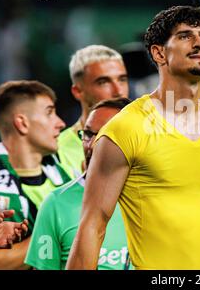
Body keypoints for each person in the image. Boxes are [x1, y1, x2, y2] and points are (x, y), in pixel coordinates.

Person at [67, 6, 200, 270]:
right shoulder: (124, 129)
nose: (199, 43)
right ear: (159, 53)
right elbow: (93, 225)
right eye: (185, 36)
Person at [0, 80, 71, 269]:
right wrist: (59, 233)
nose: (60, 123)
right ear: (22, 123)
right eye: (49, 112)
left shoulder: (68, 171)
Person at [25, 98, 133, 270]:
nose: (91, 145)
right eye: (88, 134)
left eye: (105, 135)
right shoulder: (55, 203)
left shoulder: (158, 200)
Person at [57, 45, 129, 176]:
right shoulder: (57, 151)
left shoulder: (148, 140)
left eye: (122, 79)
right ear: (78, 91)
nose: (119, 91)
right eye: (103, 82)